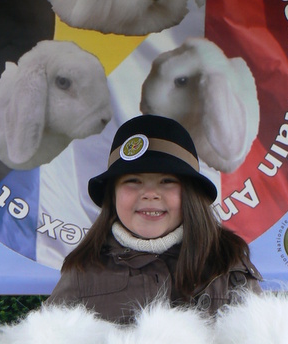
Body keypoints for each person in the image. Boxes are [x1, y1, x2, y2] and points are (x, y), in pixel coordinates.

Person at [47, 114, 262, 322]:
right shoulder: (82, 272)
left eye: (167, 181)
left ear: (191, 194)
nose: (150, 194)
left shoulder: (228, 267)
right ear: (112, 195)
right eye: (133, 180)